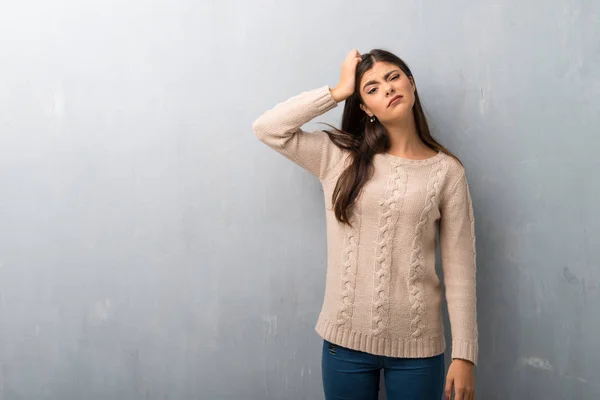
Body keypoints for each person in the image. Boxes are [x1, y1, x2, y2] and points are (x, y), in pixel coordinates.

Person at [252, 48, 478, 400]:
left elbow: (460, 268)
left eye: (393, 77)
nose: (387, 89)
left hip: (419, 349)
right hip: (344, 343)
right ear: (364, 108)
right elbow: (268, 129)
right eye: (371, 88)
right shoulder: (339, 157)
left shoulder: (447, 172)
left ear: (411, 84)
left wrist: (465, 354)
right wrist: (339, 90)